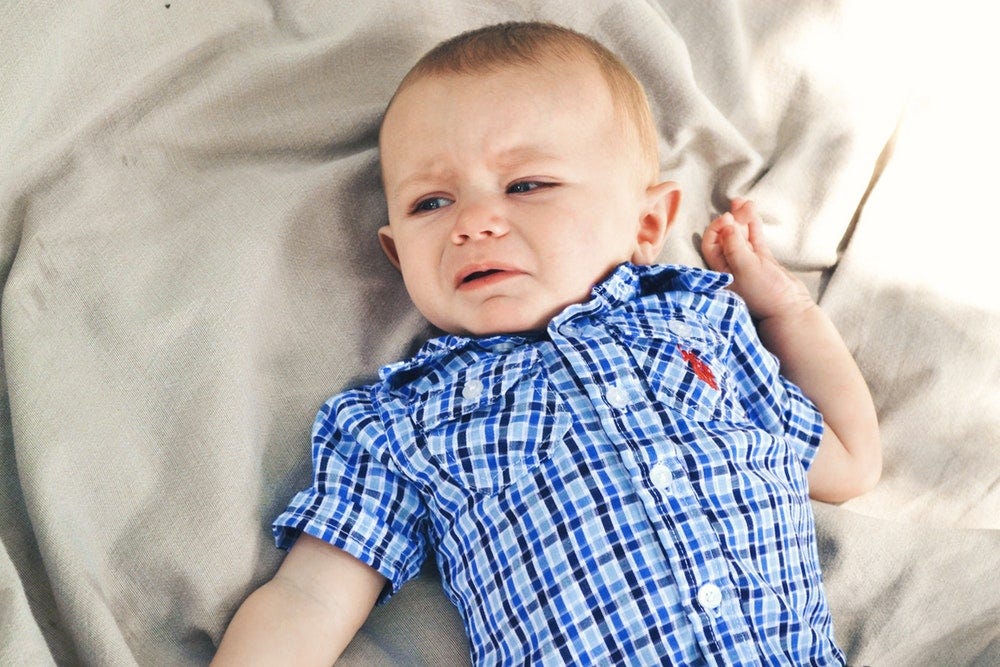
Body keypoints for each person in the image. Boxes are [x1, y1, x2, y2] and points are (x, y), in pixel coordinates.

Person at [213, 21, 881, 665]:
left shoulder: (700, 326)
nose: (473, 222)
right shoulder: (405, 420)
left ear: (646, 222)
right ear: (396, 254)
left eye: (526, 185)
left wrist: (785, 305)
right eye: (430, 203)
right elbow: (310, 595)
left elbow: (850, 462)